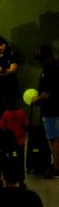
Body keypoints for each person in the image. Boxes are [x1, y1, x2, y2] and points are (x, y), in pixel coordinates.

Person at [32, 45, 59, 178]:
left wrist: (36, 99)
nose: (39, 62)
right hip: (52, 108)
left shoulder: (51, 69)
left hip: (52, 109)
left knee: (54, 139)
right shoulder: (53, 65)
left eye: (40, 59)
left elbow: (47, 93)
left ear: (46, 57)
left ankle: (56, 167)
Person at [0, 98, 28, 180]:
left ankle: (9, 179)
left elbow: (1, 128)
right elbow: (26, 126)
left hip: (8, 143)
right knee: (20, 161)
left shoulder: (5, 114)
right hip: (20, 142)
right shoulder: (21, 112)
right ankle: (21, 181)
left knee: (9, 161)